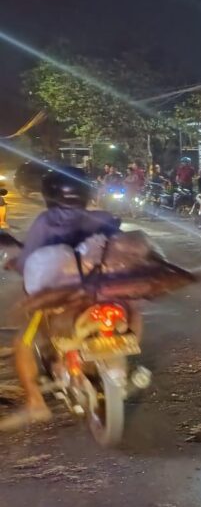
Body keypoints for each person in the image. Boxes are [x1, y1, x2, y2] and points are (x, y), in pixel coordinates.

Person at [1, 169, 122, 431]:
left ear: (49, 195)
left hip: (60, 296)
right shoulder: (102, 218)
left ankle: (35, 403)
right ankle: (107, 368)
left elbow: (29, 260)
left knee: (22, 341)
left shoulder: (46, 221)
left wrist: (17, 263)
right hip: (99, 293)